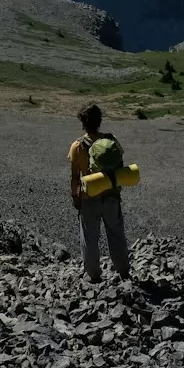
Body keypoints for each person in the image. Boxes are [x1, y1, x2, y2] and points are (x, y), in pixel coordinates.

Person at [67, 103, 130, 283]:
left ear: (82, 124)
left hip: (89, 197)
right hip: (111, 195)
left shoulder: (77, 146)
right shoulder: (111, 141)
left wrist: (75, 197)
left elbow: (74, 177)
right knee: (116, 234)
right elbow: (120, 164)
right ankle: (124, 271)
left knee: (90, 236)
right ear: (99, 121)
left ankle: (93, 275)